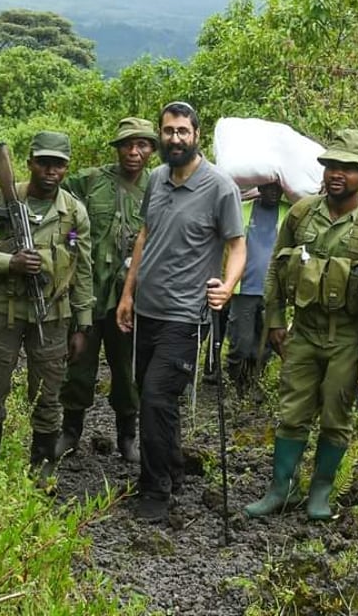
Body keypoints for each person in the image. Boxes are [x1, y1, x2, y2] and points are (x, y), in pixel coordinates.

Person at [244, 128, 358, 521]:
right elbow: (276, 270)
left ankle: (320, 494)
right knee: (292, 411)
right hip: (305, 332)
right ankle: (282, 489)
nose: (336, 174)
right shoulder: (301, 213)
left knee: (336, 415)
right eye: (331, 165)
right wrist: (275, 320)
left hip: (348, 340)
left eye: (348, 168)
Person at [116, 101, 246, 524]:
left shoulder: (219, 187)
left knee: (155, 398)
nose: (175, 138)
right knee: (154, 398)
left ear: (196, 135)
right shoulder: (156, 179)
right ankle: (172, 465)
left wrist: (227, 287)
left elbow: (237, 246)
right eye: (168, 131)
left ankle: (155, 491)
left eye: (182, 132)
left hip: (186, 316)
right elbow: (144, 236)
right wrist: (127, 294)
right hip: (147, 310)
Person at [0, 131, 94, 481]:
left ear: (67, 168)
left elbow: (82, 267)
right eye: (44, 163)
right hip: (5, 310)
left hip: (53, 316)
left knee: (48, 394)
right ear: (30, 162)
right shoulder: (1, 200)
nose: (51, 171)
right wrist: (8, 262)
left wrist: (83, 325)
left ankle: (42, 466)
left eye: (59, 165)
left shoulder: (73, 213)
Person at [56, 117, 158, 463]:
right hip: (89, 292)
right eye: (127, 144)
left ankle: (128, 436)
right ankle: (70, 431)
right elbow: (55, 199)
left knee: (127, 371)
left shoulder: (158, 188)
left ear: (152, 151)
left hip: (131, 299)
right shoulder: (90, 181)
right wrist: (69, 241)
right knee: (79, 365)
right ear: (117, 149)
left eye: (142, 144)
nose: (134, 151)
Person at [226, 181, 290, 394]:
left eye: (277, 188)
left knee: (266, 343)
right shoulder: (243, 209)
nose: (273, 192)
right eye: (268, 188)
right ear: (259, 188)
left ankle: (253, 384)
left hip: (273, 291)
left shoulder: (288, 212)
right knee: (241, 341)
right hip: (243, 288)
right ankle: (236, 381)